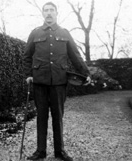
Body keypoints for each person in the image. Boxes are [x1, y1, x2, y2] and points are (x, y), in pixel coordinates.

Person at [23, 2, 91, 161]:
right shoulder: (35, 33)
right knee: (41, 117)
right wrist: (28, 74)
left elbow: (75, 55)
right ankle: (40, 151)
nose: (48, 13)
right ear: (42, 13)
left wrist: (85, 72)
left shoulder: (65, 33)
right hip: (39, 82)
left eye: (51, 10)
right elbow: (26, 56)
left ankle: (60, 151)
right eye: (46, 10)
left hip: (59, 82)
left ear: (56, 13)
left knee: (57, 116)